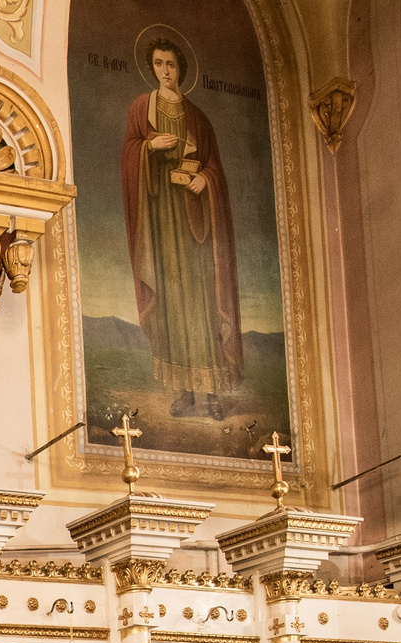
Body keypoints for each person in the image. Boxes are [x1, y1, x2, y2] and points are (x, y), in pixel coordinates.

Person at [122, 32, 242, 416]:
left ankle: (212, 393)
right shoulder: (142, 108)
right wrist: (146, 148)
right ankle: (187, 392)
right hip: (161, 219)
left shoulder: (199, 118)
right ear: (151, 67)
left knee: (201, 300)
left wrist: (205, 179)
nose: (165, 71)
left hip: (194, 223)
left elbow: (214, 167)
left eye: (171, 64)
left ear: (181, 69)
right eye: (158, 64)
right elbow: (129, 153)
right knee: (173, 300)